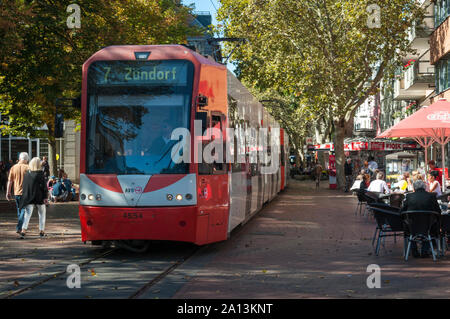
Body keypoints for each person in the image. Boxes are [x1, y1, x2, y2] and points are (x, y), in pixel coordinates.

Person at [401, 180, 441, 258]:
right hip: (428, 226)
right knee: (430, 228)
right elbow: (438, 211)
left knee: (409, 229)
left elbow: (402, 211)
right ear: (424, 187)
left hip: (412, 226)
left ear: (414, 188)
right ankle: (425, 250)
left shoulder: (409, 196)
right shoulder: (431, 196)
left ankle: (414, 250)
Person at [19, 157, 48, 238]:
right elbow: (44, 187)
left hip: (29, 196)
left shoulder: (27, 174)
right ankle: (41, 230)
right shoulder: (40, 174)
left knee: (27, 214)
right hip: (39, 197)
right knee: (42, 214)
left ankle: (23, 230)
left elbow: (24, 186)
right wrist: (45, 197)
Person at [5, 152, 29, 236]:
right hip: (26, 193)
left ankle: (20, 226)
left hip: (16, 192)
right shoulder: (28, 168)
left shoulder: (13, 167)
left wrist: (8, 192)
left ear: (19, 158)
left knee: (19, 210)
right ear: (26, 159)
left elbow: (10, 181)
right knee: (23, 210)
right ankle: (19, 227)